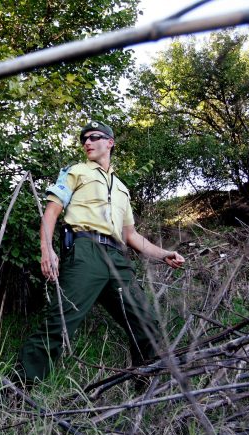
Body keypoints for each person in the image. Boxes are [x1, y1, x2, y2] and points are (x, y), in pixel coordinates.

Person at [16, 120, 185, 386]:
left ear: (110, 142)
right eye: (84, 139)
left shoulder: (122, 188)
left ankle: (145, 383)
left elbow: (131, 236)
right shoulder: (76, 171)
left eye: (94, 137)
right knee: (60, 322)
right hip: (85, 252)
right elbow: (51, 212)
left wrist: (164, 253)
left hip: (117, 257)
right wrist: (46, 249)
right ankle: (19, 389)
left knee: (145, 321)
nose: (87, 142)